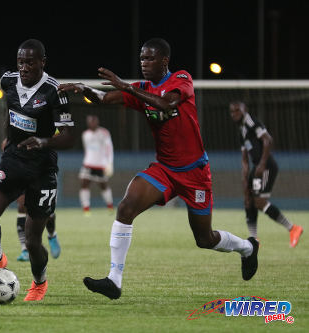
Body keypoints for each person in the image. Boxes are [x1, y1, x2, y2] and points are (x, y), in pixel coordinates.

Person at [59, 38, 259, 300]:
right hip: (164, 169)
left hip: (194, 172)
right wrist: (83, 88)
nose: (144, 63)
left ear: (164, 60)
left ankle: (247, 248)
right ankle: (114, 280)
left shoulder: (181, 78)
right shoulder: (140, 88)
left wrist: (126, 87)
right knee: (126, 206)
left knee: (204, 239)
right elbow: (105, 98)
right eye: (141, 58)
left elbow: (166, 104)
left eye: (150, 58)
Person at [0, 39, 74, 301]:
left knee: (32, 241)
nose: (25, 67)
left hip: (43, 168)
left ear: (43, 62)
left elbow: (68, 137)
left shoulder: (55, 90)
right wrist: (10, 138)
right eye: (21, 62)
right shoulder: (8, 81)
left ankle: (39, 282)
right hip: (13, 160)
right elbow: (12, 113)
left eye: (30, 62)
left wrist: (44, 141)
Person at [229, 101, 303, 247]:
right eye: (232, 112)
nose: (235, 114)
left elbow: (268, 140)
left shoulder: (251, 122)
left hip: (266, 166)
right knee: (248, 200)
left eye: (237, 110)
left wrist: (262, 164)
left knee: (259, 201)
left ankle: (293, 228)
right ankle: (253, 239)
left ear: (245, 110)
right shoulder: (242, 131)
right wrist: (245, 181)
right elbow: (244, 160)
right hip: (256, 168)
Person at [1, 139, 62, 262]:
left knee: (47, 213)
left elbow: (58, 140)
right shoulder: (17, 128)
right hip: (23, 171)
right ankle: (24, 249)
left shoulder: (45, 127)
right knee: (22, 206)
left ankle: (52, 235)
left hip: (44, 171)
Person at [79, 114, 114, 216]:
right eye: (90, 121)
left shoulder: (104, 133)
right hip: (88, 164)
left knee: (104, 186)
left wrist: (109, 163)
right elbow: (86, 149)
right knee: (84, 184)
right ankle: (86, 209)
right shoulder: (85, 134)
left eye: (93, 121)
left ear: (97, 122)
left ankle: (110, 206)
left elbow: (109, 148)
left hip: (100, 165)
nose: (91, 123)